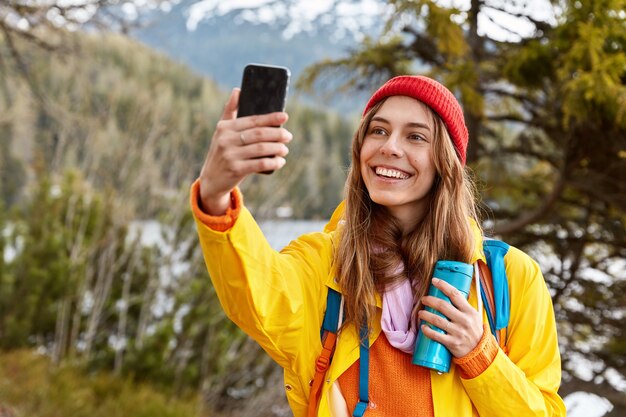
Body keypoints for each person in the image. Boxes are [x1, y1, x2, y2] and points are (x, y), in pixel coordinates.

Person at [190, 75, 566, 417]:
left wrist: (480, 355)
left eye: (416, 136)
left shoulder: (509, 278)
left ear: (445, 163)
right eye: (378, 131)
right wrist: (215, 194)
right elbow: (257, 292)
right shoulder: (327, 262)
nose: (390, 147)